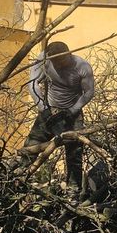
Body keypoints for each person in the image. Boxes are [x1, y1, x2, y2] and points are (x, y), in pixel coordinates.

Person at [25, 41, 95, 192]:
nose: (60, 66)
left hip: (73, 114)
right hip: (49, 110)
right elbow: (32, 83)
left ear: (69, 54)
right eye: (56, 63)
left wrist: (73, 110)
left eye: (62, 62)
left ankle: (73, 191)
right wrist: (43, 108)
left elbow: (89, 92)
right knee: (31, 146)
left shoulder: (82, 67)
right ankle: (15, 177)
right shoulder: (43, 60)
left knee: (74, 155)